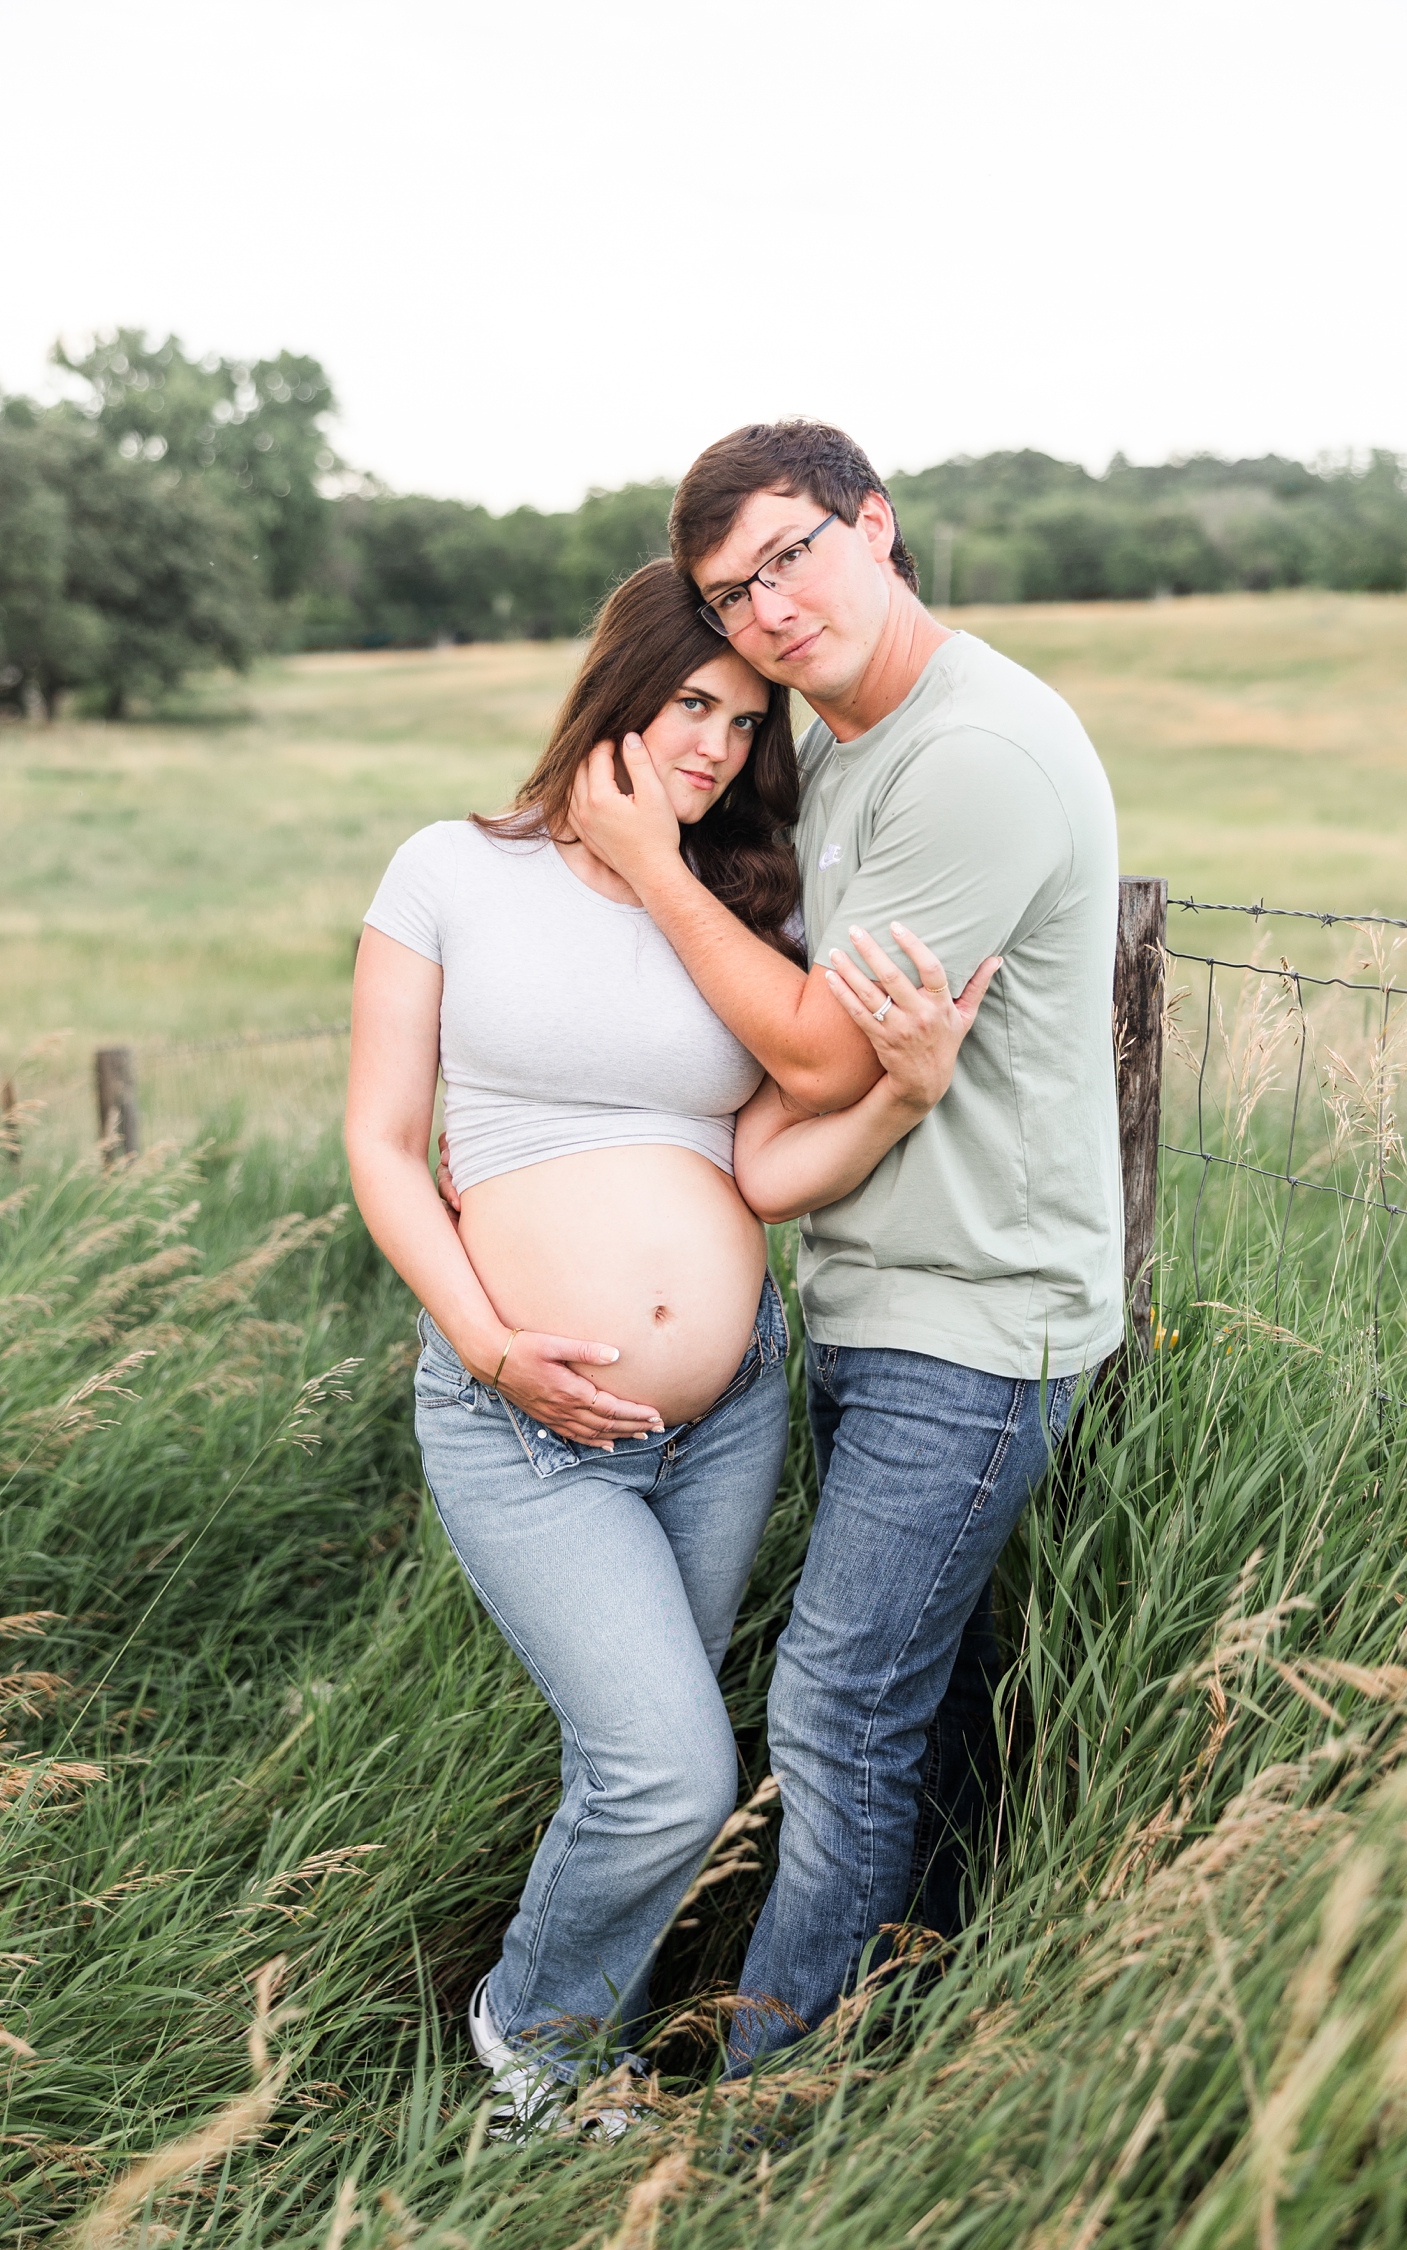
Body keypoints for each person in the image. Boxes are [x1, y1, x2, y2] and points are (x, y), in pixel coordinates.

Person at [345, 558, 996, 2132]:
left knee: (656, 1751)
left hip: (720, 1419)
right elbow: (380, 1141)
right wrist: (494, 1345)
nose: (713, 745)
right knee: (668, 1773)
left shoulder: (739, 904)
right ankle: (530, 2045)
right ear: (618, 685)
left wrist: (904, 1093)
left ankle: (583, 2057)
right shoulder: (452, 869)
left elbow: (759, 1168)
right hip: (526, 1418)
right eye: (692, 703)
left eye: (743, 724)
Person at [565, 421, 1125, 2065]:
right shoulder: (839, 739)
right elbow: (799, 1096)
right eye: (733, 592)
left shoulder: (976, 755)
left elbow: (817, 1056)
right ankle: (912, 2032)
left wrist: (654, 875)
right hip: (879, 1296)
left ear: (875, 524)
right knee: (908, 1703)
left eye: (793, 554)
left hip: (981, 1312)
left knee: (830, 1703)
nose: (771, 609)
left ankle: (768, 2104)